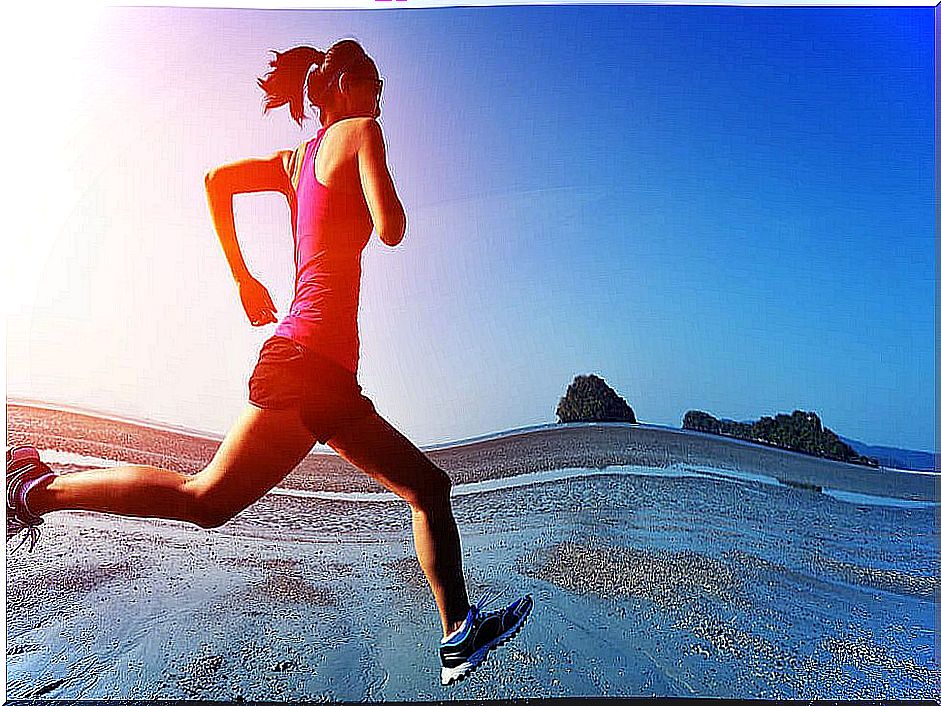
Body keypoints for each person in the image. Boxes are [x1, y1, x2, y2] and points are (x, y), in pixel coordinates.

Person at [6, 38, 532, 687]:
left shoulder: (293, 161)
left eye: (379, 92)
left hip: (327, 377)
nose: (379, 100)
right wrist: (374, 180)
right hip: (305, 363)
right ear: (343, 87)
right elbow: (391, 226)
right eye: (372, 86)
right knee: (206, 498)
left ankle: (456, 633)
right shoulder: (361, 132)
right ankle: (34, 489)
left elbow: (216, 182)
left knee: (427, 488)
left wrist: (242, 279)